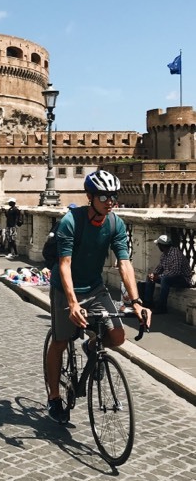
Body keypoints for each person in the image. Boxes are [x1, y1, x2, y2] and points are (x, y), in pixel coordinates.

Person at [45, 169, 151, 424]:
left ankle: (91, 346)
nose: (110, 201)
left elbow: (124, 263)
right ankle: (54, 397)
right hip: (66, 288)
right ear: (90, 196)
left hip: (94, 287)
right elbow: (65, 263)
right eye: (104, 196)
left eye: (113, 195)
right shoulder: (71, 221)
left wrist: (136, 302)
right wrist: (72, 303)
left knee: (117, 336)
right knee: (60, 341)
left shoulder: (115, 223)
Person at [142, 235, 192, 314]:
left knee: (165, 280)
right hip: (170, 277)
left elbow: (176, 271)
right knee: (150, 277)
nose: (158, 246)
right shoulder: (164, 255)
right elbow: (160, 267)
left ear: (162, 246)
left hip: (183, 279)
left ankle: (162, 307)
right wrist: (153, 274)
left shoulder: (175, 254)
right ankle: (148, 302)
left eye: (158, 245)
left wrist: (159, 276)